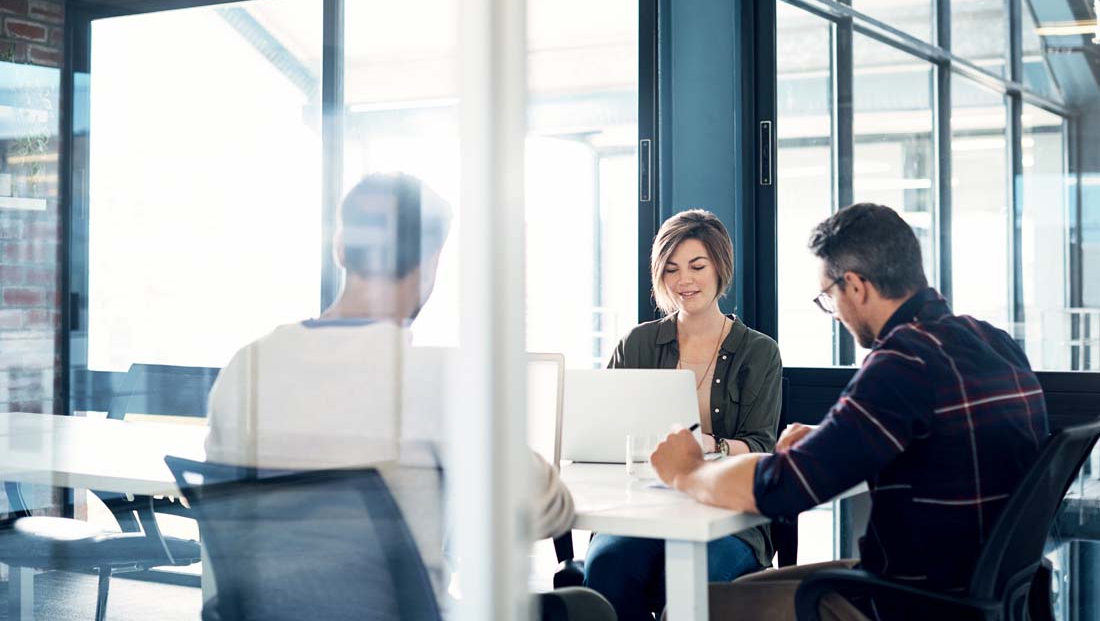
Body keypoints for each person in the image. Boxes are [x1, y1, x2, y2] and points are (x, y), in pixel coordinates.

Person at [205, 172, 611, 619]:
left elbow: (233, 516)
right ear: (432, 261)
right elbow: (548, 513)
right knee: (588, 608)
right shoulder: (437, 380)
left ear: (340, 247)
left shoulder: (245, 368)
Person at [649, 202, 1049, 621]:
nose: (835, 312)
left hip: (905, 602)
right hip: (980, 591)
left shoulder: (902, 362)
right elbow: (939, 444)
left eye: (829, 296)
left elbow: (782, 490)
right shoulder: (993, 342)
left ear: (855, 286)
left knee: (693, 605)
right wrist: (829, 440)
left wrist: (687, 471)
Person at [583, 209, 783, 621]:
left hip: (728, 514)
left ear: (720, 268)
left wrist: (713, 446)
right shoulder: (637, 343)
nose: (684, 281)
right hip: (645, 507)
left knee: (697, 585)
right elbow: (601, 429)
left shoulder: (758, 351)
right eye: (671, 269)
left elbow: (763, 445)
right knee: (608, 565)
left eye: (697, 266)